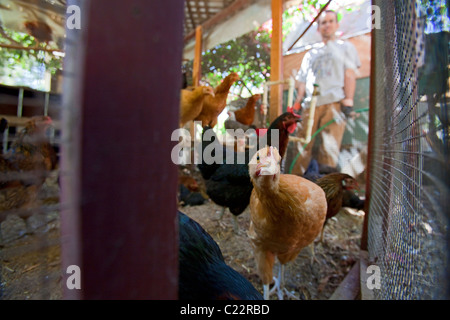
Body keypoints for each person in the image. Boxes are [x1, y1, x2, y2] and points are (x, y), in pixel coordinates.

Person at [291, 10, 361, 175]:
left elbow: (349, 74)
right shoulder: (310, 54)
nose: (327, 25)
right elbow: (302, 81)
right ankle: (295, 183)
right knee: (302, 146)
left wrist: (348, 101)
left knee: (329, 148)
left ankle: (324, 189)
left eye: (330, 21)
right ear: (319, 27)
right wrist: (297, 103)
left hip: (334, 102)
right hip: (311, 105)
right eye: (323, 22)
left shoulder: (346, 47)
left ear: (336, 25)